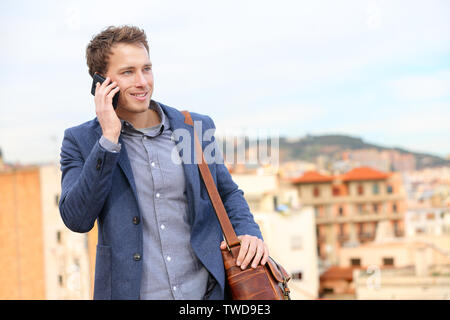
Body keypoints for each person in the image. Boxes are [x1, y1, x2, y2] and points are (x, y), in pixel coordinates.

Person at [58, 25, 269, 300]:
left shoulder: (193, 128)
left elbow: (227, 193)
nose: (142, 81)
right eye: (127, 72)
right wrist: (108, 139)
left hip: (206, 294)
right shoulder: (81, 141)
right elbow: (76, 219)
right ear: (101, 83)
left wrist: (249, 232)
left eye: (146, 68)